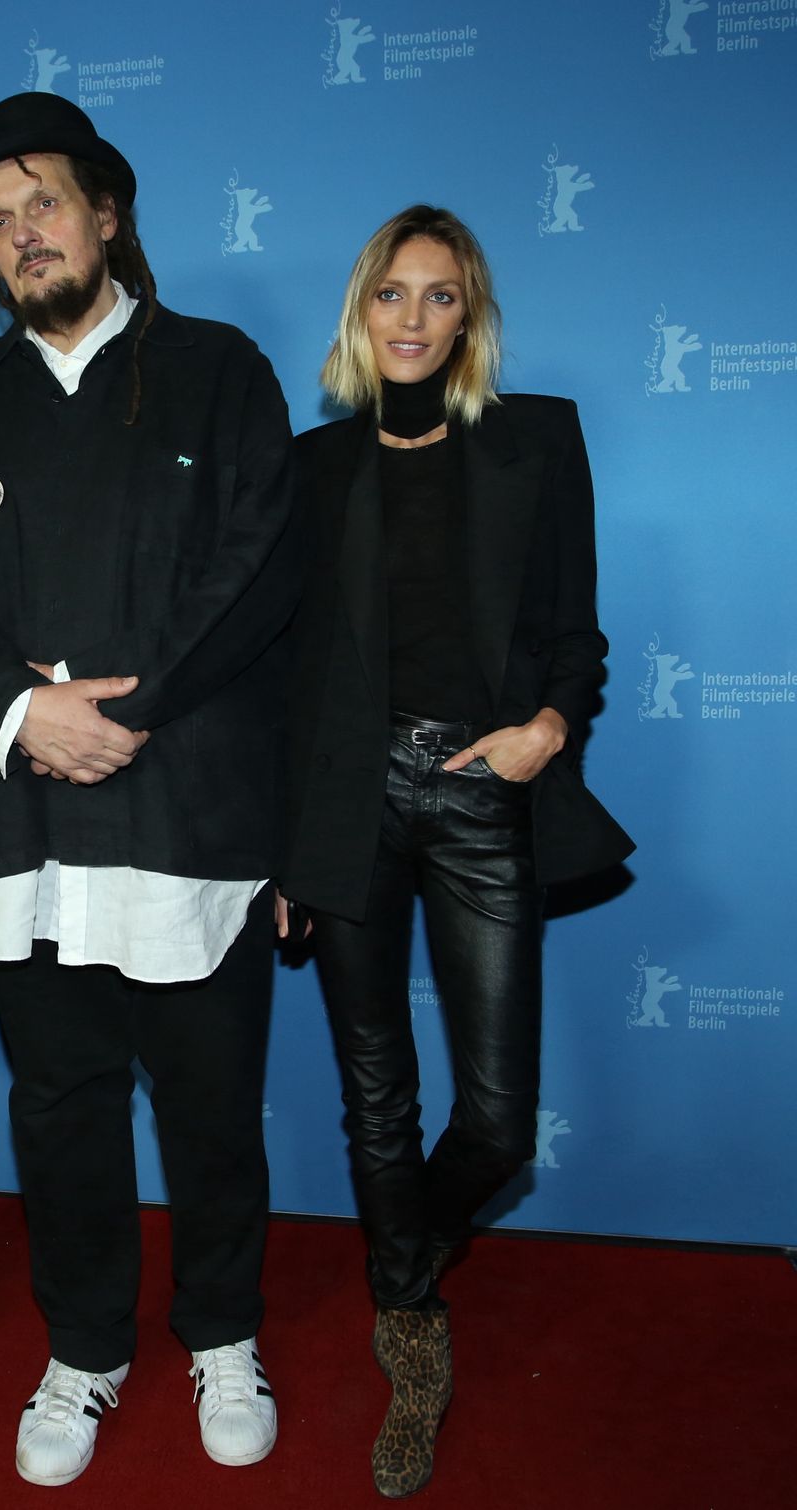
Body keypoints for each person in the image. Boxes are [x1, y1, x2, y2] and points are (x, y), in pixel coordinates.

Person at [0, 94, 296, 1487]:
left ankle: (223, 1329)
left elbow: (256, 569)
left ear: (106, 211)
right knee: (59, 1104)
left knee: (213, 1102)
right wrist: (21, 709)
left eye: (43, 203)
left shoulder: (220, 369)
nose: (23, 236)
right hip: (23, 825)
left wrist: (131, 709)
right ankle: (87, 1347)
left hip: (188, 813)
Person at [278, 206, 633, 1499]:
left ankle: (396, 1262)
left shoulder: (536, 440)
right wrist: (285, 850)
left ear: (469, 316)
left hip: (484, 787)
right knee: (376, 1089)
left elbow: (576, 628)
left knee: (494, 1112)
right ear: (360, 312)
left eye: (441, 296)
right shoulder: (312, 469)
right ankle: (412, 1339)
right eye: (392, 293)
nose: (414, 318)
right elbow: (288, 671)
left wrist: (548, 724)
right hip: (346, 794)